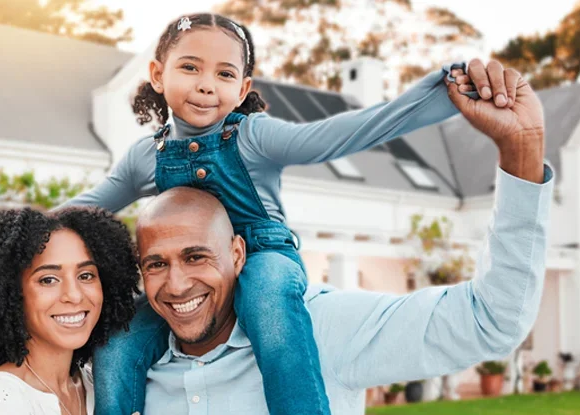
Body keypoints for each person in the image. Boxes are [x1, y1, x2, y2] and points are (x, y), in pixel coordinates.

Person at [58, 12, 492, 415]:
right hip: (195, 269)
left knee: (268, 305)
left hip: (265, 258)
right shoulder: (146, 156)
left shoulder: (253, 137)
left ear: (242, 90)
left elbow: (342, 134)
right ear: (157, 74)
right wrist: (20, 231)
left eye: (224, 74)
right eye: (190, 67)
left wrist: (439, 94)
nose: (207, 84)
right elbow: (86, 207)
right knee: (119, 337)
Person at [129, 53, 552, 413]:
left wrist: (522, 151)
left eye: (196, 256)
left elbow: (491, 321)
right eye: (156, 264)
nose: (178, 284)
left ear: (238, 253)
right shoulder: (124, 365)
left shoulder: (324, 328)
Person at [0, 207, 142, 415]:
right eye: (48, 280)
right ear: (9, 295)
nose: (74, 295)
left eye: (86, 275)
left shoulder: (95, 384)